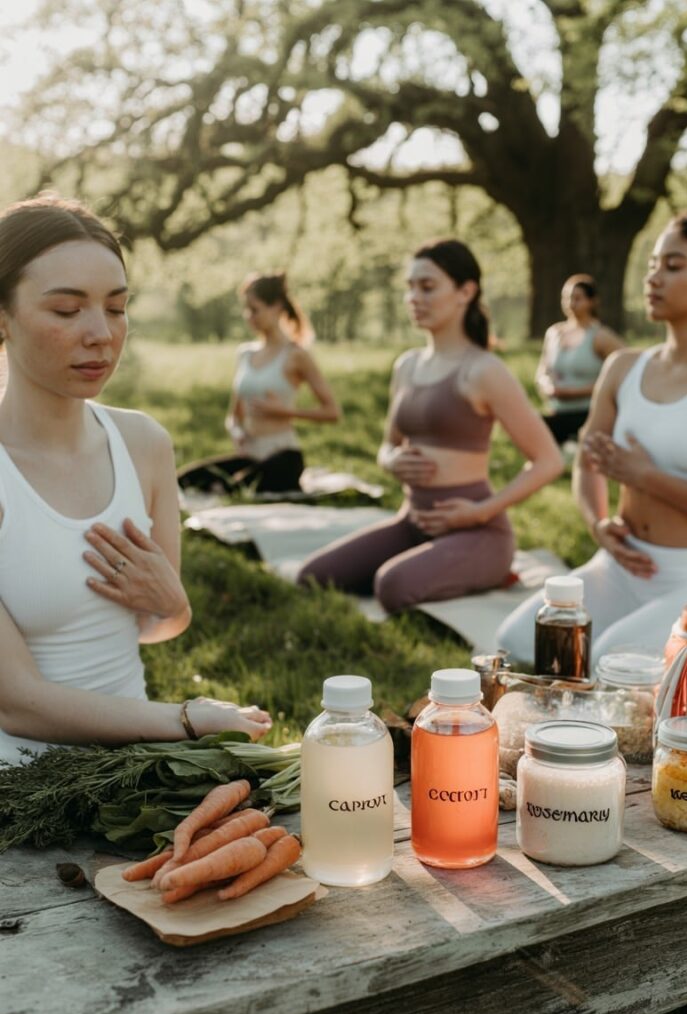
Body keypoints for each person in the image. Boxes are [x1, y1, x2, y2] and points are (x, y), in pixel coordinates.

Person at [0, 195, 272, 766]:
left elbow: (151, 622)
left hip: (133, 767)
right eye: (67, 311)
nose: (100, 333)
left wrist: (176, 607)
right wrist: (185, 719)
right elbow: (16, 703)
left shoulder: (144, 443)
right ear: (3, 317)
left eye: (116, 308)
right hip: (21, 783)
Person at [497, 213, 687, 666]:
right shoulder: (623, 366)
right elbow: (588, 460)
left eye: (673, 266)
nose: (653, 277)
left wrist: (645, 476)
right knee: (518, 642)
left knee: (609, 662)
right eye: (652, 265)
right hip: (622, 568)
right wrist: (597, 524)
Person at [297, 239, 563, 611]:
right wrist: (389, 461)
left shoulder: (484, 370)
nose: (414, 297)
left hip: (478, 531)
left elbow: (549, 460)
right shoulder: (406, 366)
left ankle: (485, 567)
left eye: (427, 287)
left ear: (465, 292)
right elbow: (388, 445)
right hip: (412, 521)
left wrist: (480, 511)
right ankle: (432, 558)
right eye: (410, 287)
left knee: (392, 586)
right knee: (312, 576)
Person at [176, 272, 340, 494]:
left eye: (254, 309)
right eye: (246, 309)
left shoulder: (296, 354)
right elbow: (234, 415)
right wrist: (236, 432)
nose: (248, 316)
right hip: (251, 455)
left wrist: (285, 411)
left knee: (231, 489)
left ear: (277, 307)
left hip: (283, 456)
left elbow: (332, 412)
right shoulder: (245, 354)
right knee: (184, 480)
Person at [535, 274, 623, 445]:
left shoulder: (601, 336)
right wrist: (547, 386)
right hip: (556, 410)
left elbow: (625, 369)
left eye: (577, 298)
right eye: (566, 298)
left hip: (587, 413)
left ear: (592, 301)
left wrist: (576, 392)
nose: (570, 303)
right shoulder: (554, 333)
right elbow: (542, 369)